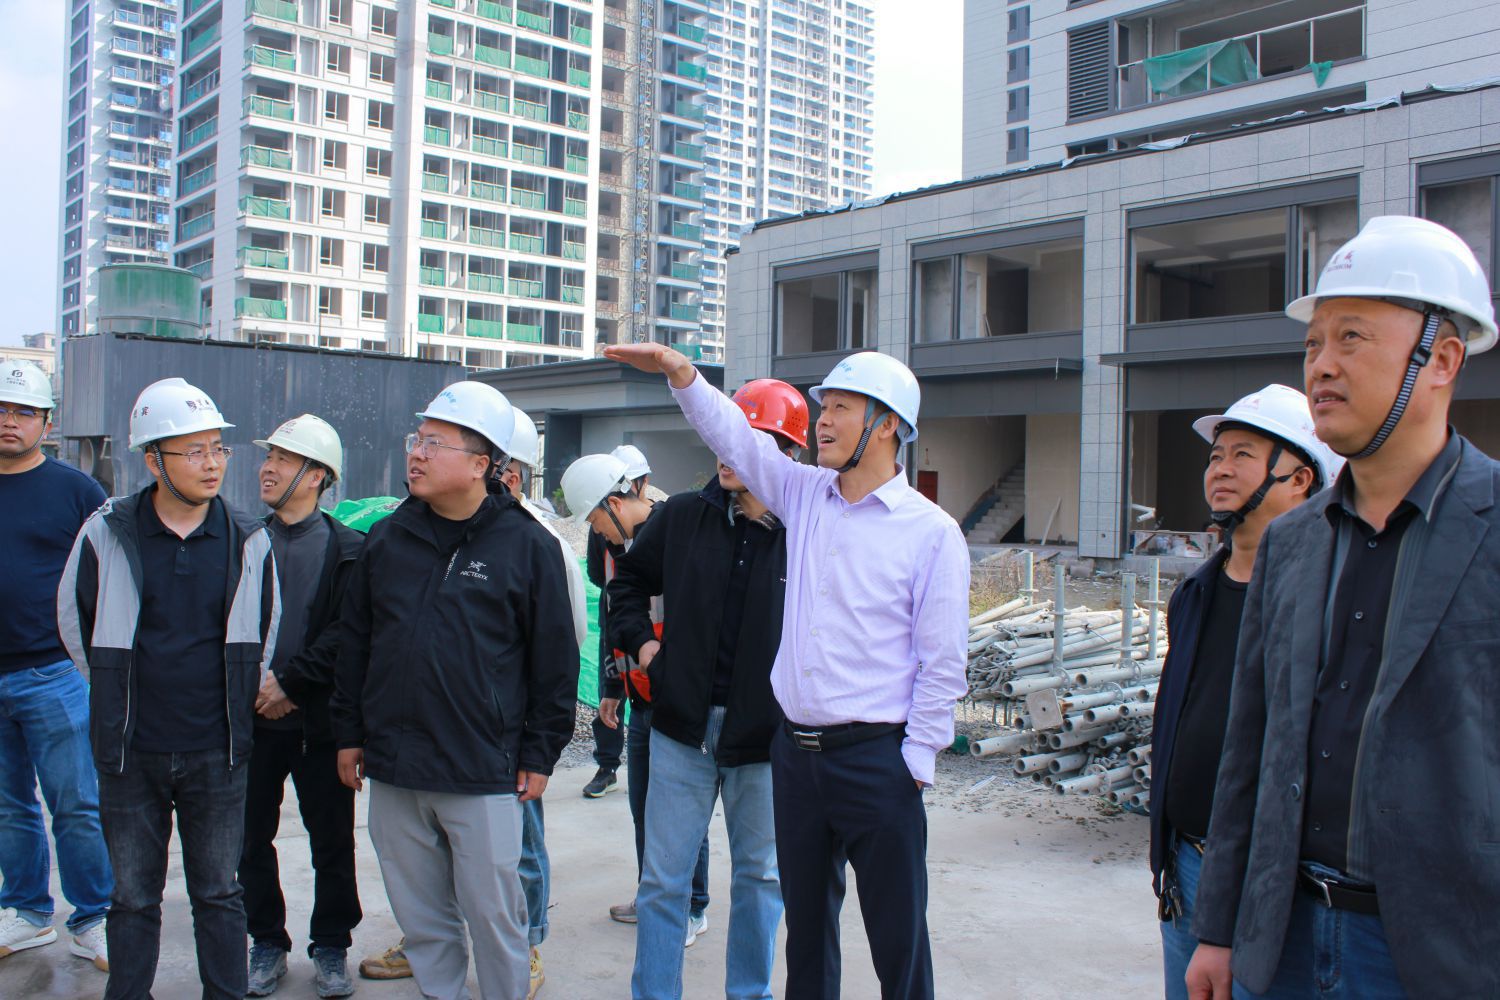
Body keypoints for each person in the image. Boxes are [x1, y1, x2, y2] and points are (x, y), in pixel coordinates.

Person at [1185, 216, 1500, 998]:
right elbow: (1249, 750)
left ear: (1442, 359)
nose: (1322, 366)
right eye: (1313, 343)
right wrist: (1216, 930)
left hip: (1438, 956)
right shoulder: (1292, 543)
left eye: (1352, 338)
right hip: (1284, 939)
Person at [604, 345, 971, 1000]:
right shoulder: (805, 496)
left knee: (897, 939)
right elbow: (735, 438)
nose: (822, 420)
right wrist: (682, 375)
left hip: (875, 759)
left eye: (840, 408)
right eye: (822, 407)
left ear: (887, 424)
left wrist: (915, 762)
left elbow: (942, 662)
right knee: (807, 940)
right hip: (795, 757)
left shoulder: (931, 533)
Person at [332, 381, 578, 1000]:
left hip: (481, 768)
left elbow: (554, 662)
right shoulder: (388, 539)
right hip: (395, 764)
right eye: (417, 440)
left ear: (480, 464)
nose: (416, 454)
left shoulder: (528, 547)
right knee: (422, 916)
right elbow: (355, 643)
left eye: (435, 443)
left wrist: (539, 752)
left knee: (496, 916)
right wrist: (349, 733)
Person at [57, 377, 281, 1000]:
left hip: (218, 749)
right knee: (132, 897)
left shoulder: (248, 538)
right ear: (153, 460)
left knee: (219, 892)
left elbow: (266, 632)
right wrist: (116, 694)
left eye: (218, 448)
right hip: (131, 751)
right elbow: (75, 623)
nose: (212, 464)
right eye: (193, 451)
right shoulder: (108, 532)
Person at [609, 379, 806, 999]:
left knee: (761, 879)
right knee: (663, 882)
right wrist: (647, 651)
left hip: (766, 738)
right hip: (680, 731)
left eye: (749, 439)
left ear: (785, 454)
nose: (728, 451)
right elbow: (626, 585)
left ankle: (749, 994)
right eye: (724, 436)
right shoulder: (681, 517)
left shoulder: (805, 529)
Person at [1149, 385, 1343, 1000]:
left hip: (1279, 880)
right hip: (1186, 865)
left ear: (1300, 479)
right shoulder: (1196, 594)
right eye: (1216, 455)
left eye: (1242, 455)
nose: (1221, 469)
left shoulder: (1329, 599)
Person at [240, 415, 364, 997]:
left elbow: (348, 635)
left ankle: (331, 946)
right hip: (251, 722)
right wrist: (255, 688)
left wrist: (289, 684)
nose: (267, 468)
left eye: (283, 460)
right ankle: (266, 939)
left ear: (317, 476)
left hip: (320, 725)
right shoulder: (244, 542)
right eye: (269, 457)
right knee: (248, 839)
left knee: (332, 841)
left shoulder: (350, 551)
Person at [562, 455, 712, 932]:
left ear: (614, 502)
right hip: (640, 699)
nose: (596, 532)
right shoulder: (613, 548)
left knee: (681, 814)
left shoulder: (676, 532)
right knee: (644, 809)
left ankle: (691, 906)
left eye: (595, 521)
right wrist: (613, 685)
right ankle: (655, 895)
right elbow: (615, 618)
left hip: (676, 701)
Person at [0, 360, 111, 971]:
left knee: (75, 803)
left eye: (23, 412)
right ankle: (26, 911)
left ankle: (94, 915)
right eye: (1, 410)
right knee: (9, 806)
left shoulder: (78, 492)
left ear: (47, 423)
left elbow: (112, 577)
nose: (9, 421)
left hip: (55, 673)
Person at [581, 443, 651, 799]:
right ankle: (607, 765)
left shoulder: (662, 528)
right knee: (610, 692)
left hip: (651, 644)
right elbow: (598, 575)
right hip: (615, 618)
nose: (599, 530)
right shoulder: (603, 531)